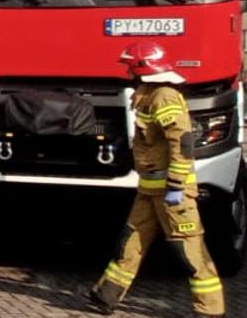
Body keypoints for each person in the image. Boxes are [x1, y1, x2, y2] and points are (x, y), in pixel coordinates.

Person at [87, 42, 225, 316]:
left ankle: (210, 310)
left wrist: (176, 185)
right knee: (130, 242)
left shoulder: (164, 97)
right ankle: (107, 295)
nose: (127, 72)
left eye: (130, 67)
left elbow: (182, 143)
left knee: (189, 252)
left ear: (142, 68)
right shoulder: (149, 95)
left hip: (173, 194)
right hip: (150, 190)